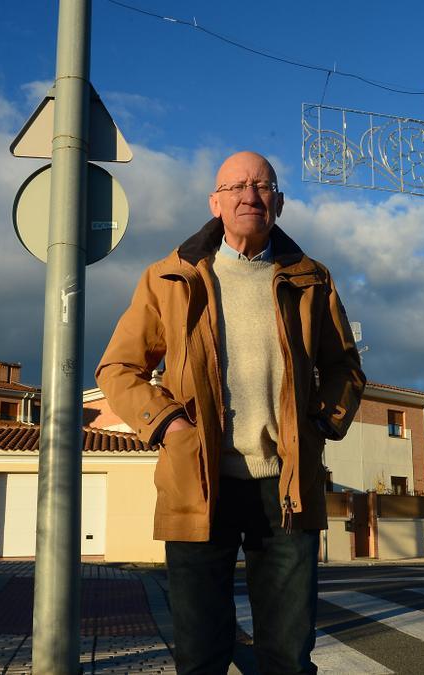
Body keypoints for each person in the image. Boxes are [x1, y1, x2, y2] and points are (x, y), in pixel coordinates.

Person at [96, 151, 366, 674]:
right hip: (198, 480)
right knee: (200, 656)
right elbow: (119, 367)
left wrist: (319, 425)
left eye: (263, 186)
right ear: (215, 202)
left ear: (279, 203)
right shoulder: (169, 278)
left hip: (285, 485)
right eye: (237, 186)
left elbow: (345, 368)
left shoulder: (312, 280)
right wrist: (171, 426)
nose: (250, 196)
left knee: (288, 654)